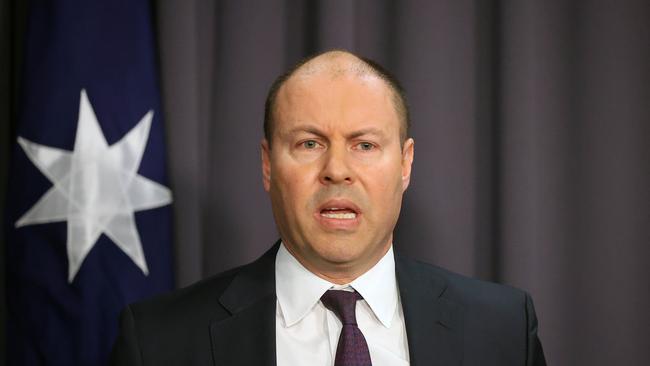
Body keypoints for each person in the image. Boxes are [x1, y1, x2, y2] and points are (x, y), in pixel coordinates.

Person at [110, 50, 546, 366]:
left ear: (405, 164)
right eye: (309, 143)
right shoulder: (158, 342)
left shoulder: (502, 330)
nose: (337, 170)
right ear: (267, 165)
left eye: (365, 144)